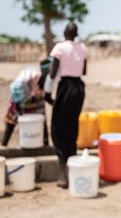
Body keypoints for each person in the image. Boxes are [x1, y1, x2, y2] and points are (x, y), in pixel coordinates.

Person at [45, 21, 87, 189]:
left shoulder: (59, 48)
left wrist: (47, 93)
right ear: (75, 33)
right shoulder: (83, 48)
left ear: (64, 33)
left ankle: (63, 174)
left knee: (58, 128)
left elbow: (53, 72)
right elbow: (84, 71)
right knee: (71, 126)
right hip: (79, 89)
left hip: (65, 88)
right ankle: (72, 171)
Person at [2, 65, 49, 147]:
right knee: (40, 119)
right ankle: (46, 145)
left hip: (22, 99)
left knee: (40, 119)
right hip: (23, 99)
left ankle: (3, 144)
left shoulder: (33, 75)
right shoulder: (37, 77)